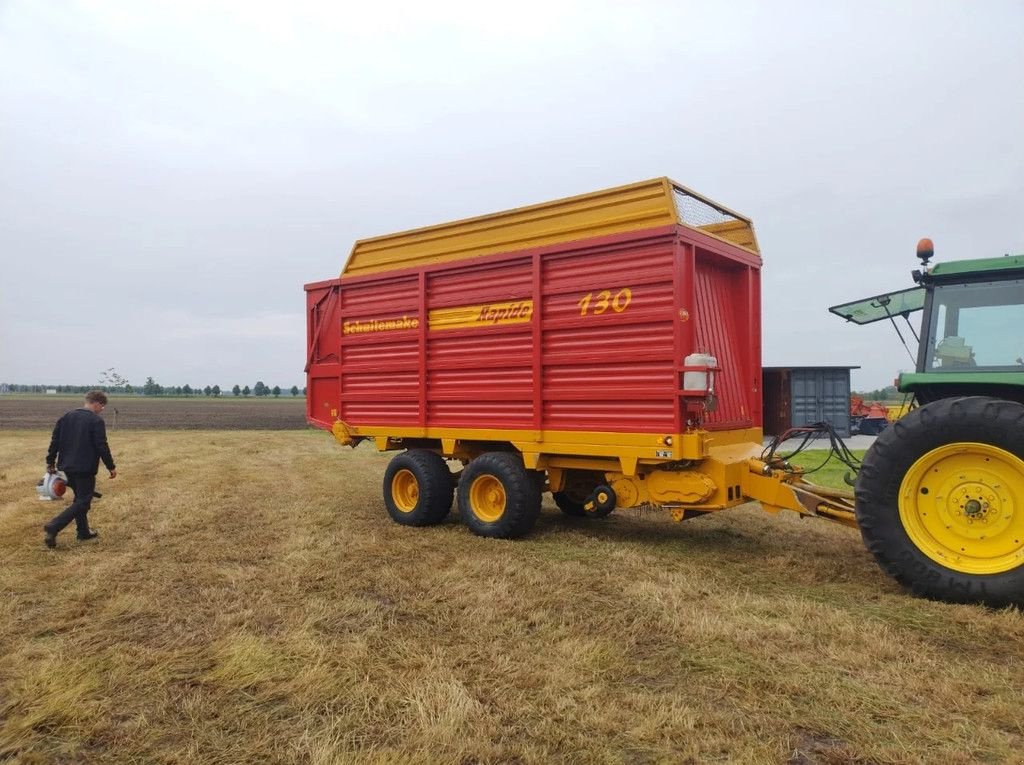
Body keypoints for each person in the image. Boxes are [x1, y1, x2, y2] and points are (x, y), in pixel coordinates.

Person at [43, 390, 117, 548]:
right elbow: (101, 446)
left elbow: (54, 442)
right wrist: (111, 466)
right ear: (96, 403)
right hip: (84, 469)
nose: (102, 410)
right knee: (83, 502)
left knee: (80, 499)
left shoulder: (65, 417)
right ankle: (54, 526)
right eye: (102, 406)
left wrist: (50, 462)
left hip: (66, 468)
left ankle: (83, 532)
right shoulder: (96, 421)